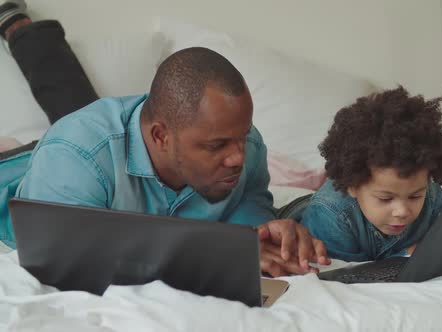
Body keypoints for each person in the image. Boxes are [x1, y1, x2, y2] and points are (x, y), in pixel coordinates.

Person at [0, 1, 330, 276]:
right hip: (19, 173)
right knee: (85, 136)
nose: (238, 158)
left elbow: (249, 200)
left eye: (240, 138)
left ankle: (20, 29)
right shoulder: (75, 153)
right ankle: (19, 29)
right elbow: (58, 251)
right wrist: (213, 250)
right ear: (160, 136)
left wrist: (258, 233)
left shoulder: (246, 145)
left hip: (108, 141)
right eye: (216, 146)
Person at [300, 86, 442, 262]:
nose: (402, 211)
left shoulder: (431, 195)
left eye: (415, 196)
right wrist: (407, 255)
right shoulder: (330, 214)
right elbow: (341, 274)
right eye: (386, 198)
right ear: (353, 186)